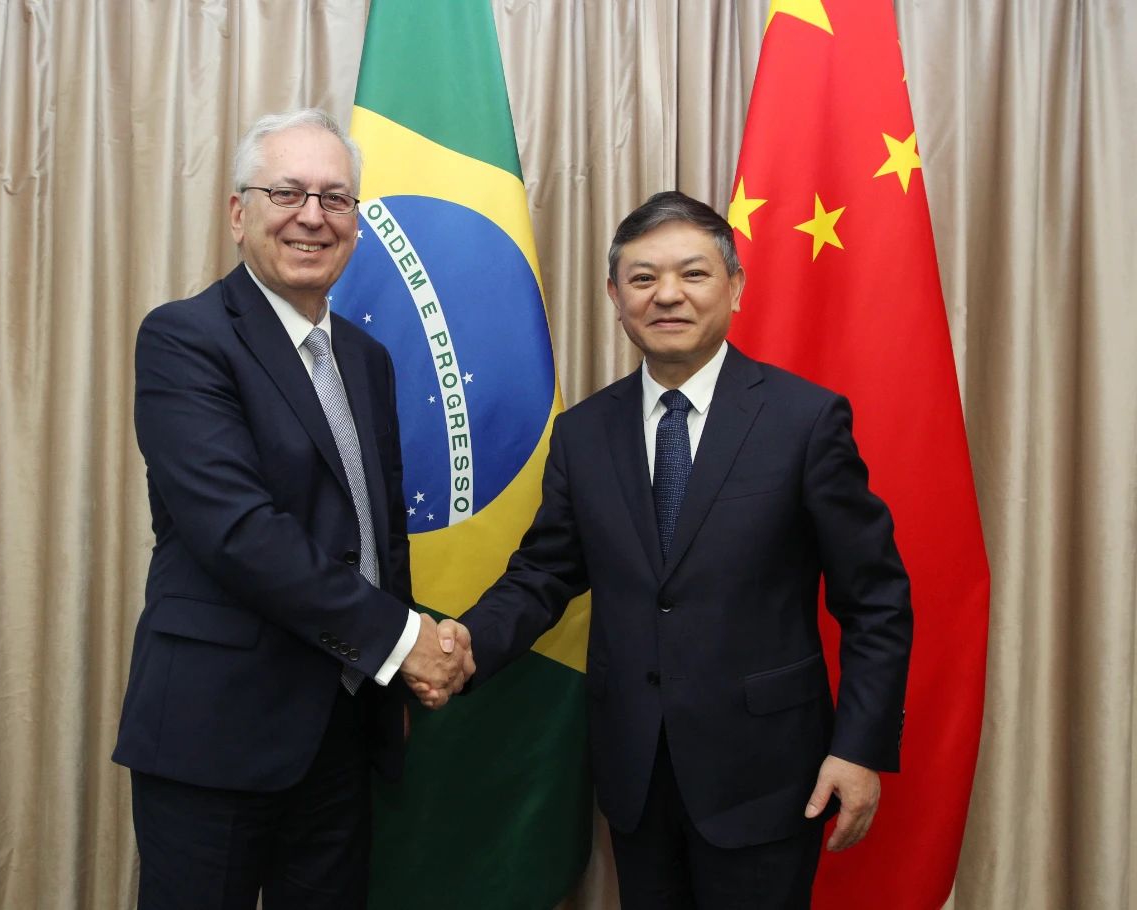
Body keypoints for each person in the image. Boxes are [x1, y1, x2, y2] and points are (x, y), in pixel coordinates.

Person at [414, 191, 912, 908]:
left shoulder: (805, 421)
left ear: (734, 287)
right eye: (643, 278)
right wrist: (465, 645)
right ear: (615, 297)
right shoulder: (584, 433)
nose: (668, 295)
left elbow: (876, 601)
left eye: (693, 273)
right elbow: (546, 572)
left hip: (768, 774)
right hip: (635, 772)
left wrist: (858, 747)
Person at [112, 108, 472, 910]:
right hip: (216, 729)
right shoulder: (185, 339)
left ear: (355, 223)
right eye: (287, 192)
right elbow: (239, 533)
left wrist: (392, 673)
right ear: (238, 213)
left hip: (344, 729)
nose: (313, 215)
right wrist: (404, 641)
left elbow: (379, 536)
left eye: (335, 198)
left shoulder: (368, 359)